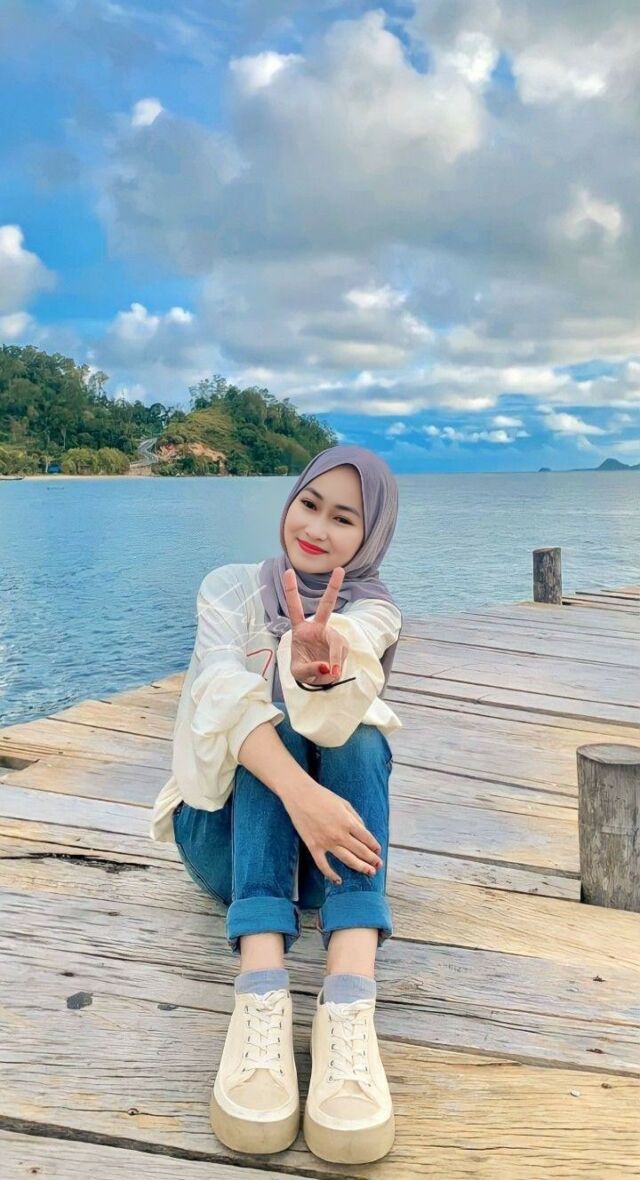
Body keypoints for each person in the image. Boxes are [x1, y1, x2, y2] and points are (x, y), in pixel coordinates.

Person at [149, 444, 403, 1164]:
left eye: (344, 518)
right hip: (224, 841)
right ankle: (259, 987)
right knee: (263, 717)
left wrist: (319, 669)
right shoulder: (228, 588)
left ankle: (349, 998)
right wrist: (302, 793)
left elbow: (349, 655)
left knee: (358, 732)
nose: (317, 528)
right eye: (310, 504)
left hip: (323, 865)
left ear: (371, 535)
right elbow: (220, 695)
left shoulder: (374, 613)